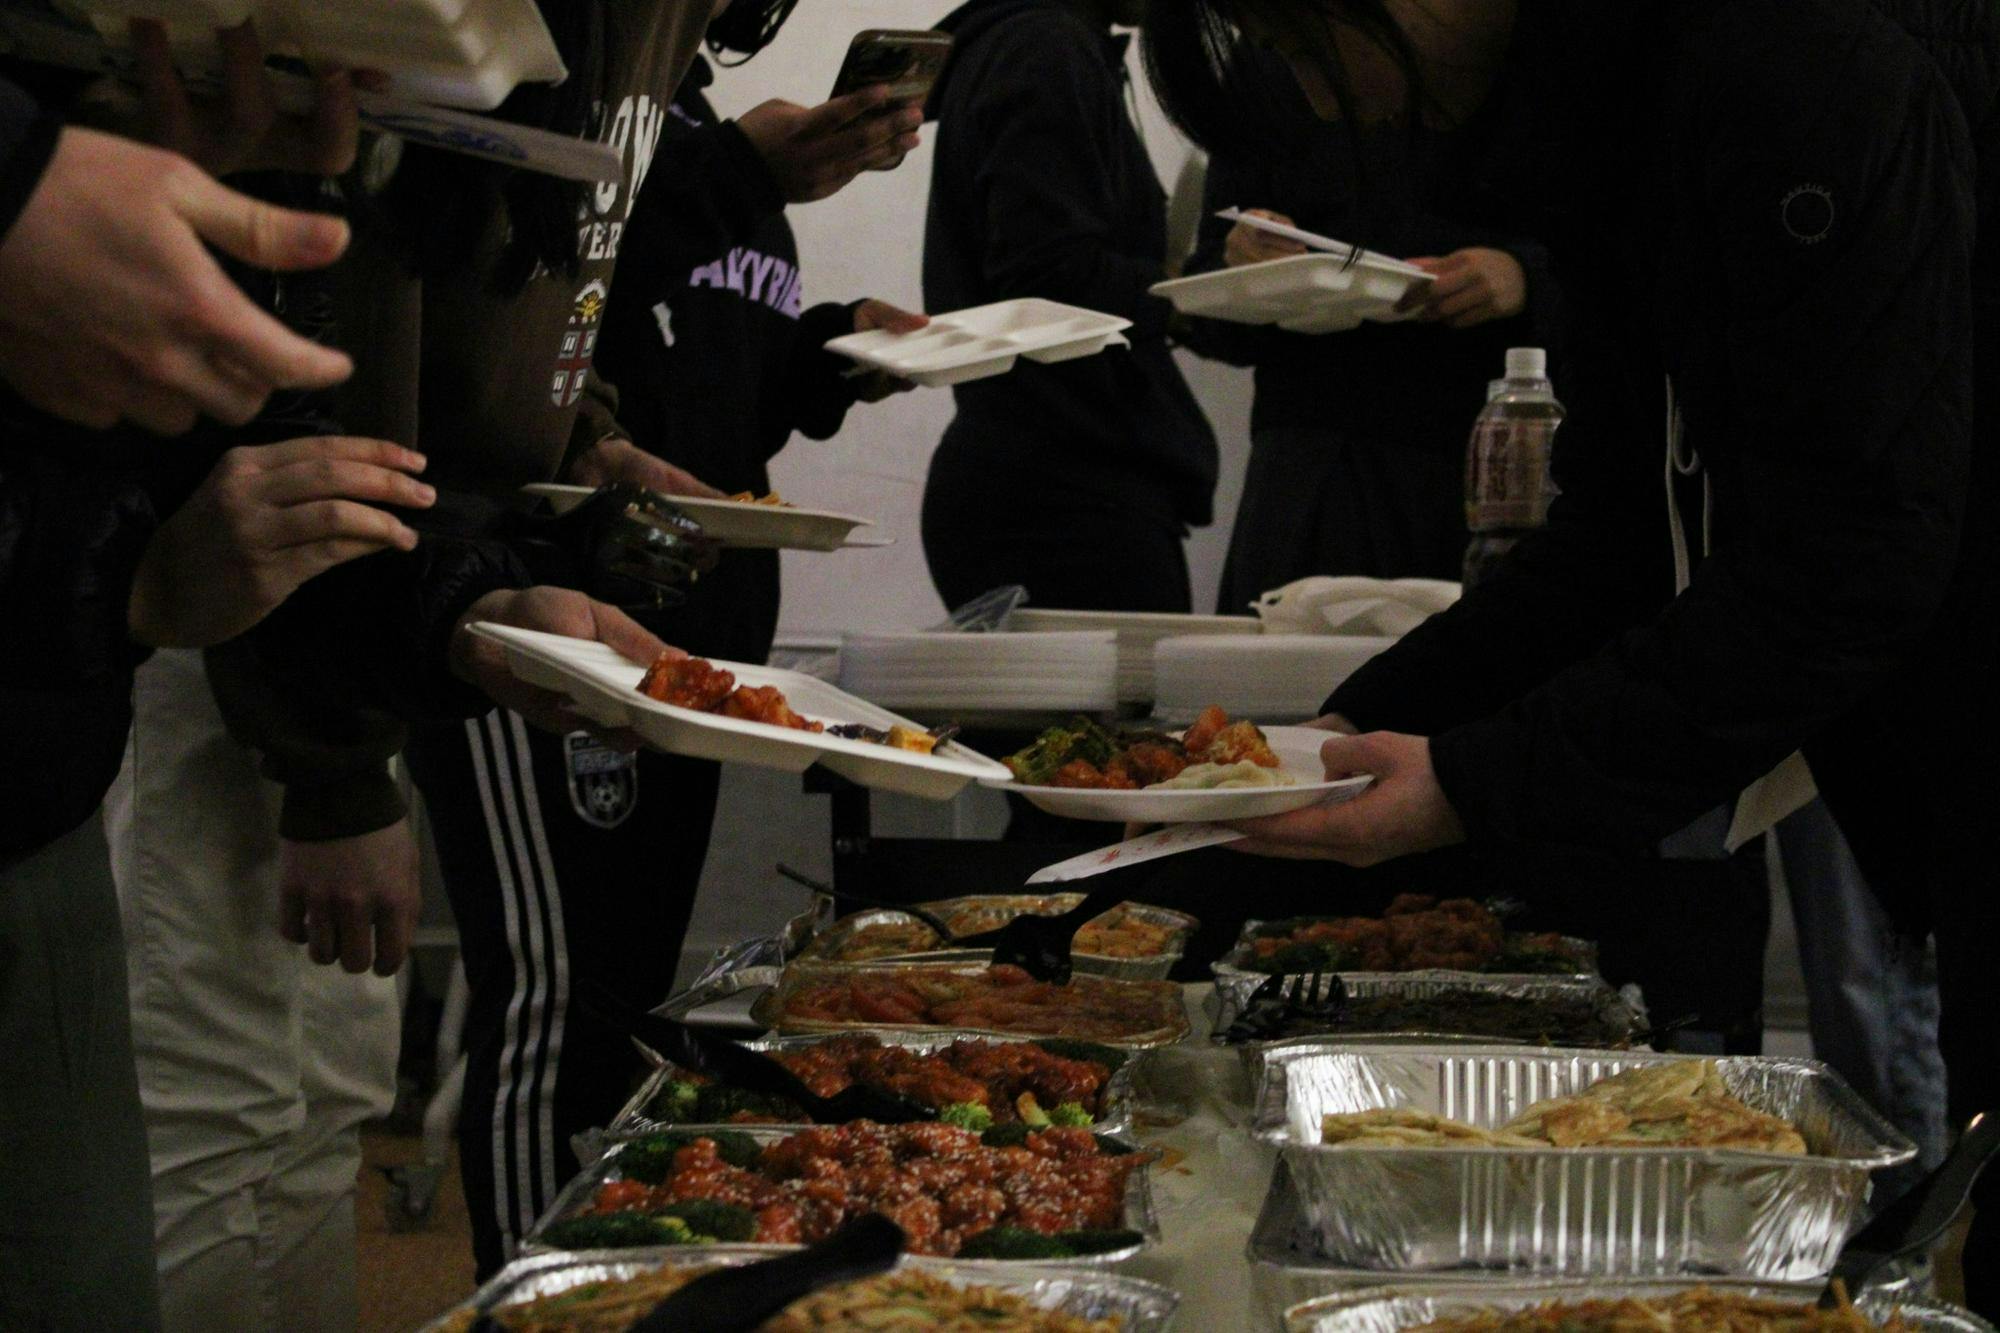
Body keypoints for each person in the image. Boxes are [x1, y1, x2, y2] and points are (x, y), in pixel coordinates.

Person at [1142, 0, 1998, 1307]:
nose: (1327, 103)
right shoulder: (1616, 113)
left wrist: (1471, 783)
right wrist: (1331, 745)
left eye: (1313, 46)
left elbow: (1846, 556)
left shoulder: (1798, 71)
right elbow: (1611, 544)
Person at [405, 13, 928, 1272]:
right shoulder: (618, 121)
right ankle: (534, 1287)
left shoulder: (720, 163)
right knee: (553, 1004)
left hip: (691, 632)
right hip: (543, 609)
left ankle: (613, 1277)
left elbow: (720, 376)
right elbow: (543, 342)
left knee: (628, 998)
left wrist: (835, 353)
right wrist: (747, 167)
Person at [1180, 43, 1555, 602]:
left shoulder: (1526, 39)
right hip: (1313, 455)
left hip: (1501, 448)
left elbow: (1632, 254)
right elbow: (1203, 308)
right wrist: (1248, 261)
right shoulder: (1278, 44)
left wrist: (1525, 276)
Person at [919, 0, 1217, 614]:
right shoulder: (1047, 48)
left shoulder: (1040, 45)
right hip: (1065, 490)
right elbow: (1049, 279)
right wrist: (1193, 289)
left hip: (1047, 472)